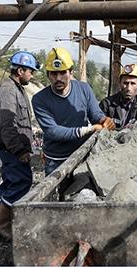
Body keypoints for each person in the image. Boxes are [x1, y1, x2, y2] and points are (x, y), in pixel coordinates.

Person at [32, 48, 115, 176]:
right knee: (57, 194)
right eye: (54, 74)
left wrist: (104, 120)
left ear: (70, 72)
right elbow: (53, 131)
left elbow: (95, 114)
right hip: (56, 160)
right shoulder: (40, 100)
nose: (58, 78)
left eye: (62, 73)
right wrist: (88, 130)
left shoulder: (83, 89)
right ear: (48, 74)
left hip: (81, 154)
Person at [0, 51, 39, 240]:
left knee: (11, 182)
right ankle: (1, 224)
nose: (32, 75)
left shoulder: (16, 88)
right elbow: (8, 125)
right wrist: (19, 150)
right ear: (21, 70)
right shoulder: (9, 90)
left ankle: (0, 221)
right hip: (12, 150)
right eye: (30, 71)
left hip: (13, 148)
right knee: (22, 181)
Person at [99, 64, 137, 129]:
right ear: (119, 83)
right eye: (125, 83)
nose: (128, 88)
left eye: (133, 83)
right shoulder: (107, 104)